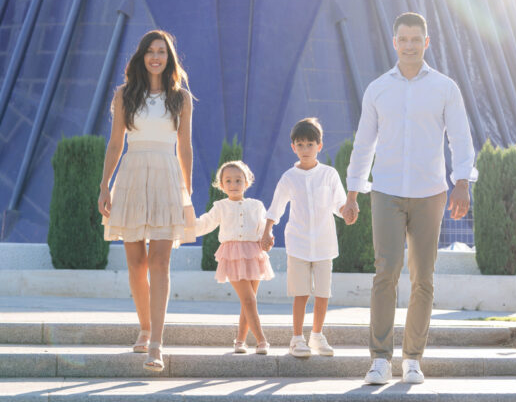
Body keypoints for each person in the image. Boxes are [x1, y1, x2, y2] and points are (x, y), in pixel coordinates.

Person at [343, 12, 477, 385]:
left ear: (426, 42)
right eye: (403, 39)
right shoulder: (377, 89)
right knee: (385, 272)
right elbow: (364, 143)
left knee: (423, 277)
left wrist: (462, 181)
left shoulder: (445, 87)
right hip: (385, 191)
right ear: (394, 42)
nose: (409, 45)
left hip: (429, 192)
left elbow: (460, 139)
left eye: (416, 39)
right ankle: (380, 359)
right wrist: (353, 192)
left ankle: (413, 358)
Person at [98, 30, 195, 373]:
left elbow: (185, 146)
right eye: (150, 51)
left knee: (160, 264)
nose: (156, 57)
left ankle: (157, 343)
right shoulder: (124, 95)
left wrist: (187, 191)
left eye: (162, 52)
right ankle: (145, 326)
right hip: (132, 175)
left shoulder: (181, 98)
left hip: (168, 176)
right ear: (141, 56)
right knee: (137, 263)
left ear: (169, 58)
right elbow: (115, 144)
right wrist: (104, 185)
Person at [261, 118, 347, 357]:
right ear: (293, 147)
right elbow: (277, 205)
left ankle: (317, 336)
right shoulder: (289, 177)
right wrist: (267, 230)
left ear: (320, 146)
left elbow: (338, 204)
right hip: (297, 242)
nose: (305, 149)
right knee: (301, 292)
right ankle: (297, 338)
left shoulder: (329, 175)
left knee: (322, 293)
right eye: (300, 144)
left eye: (310, 144)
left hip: (324, 243)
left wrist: (347, 211)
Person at [195, 161, 272, 354]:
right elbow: (205, 223)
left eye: (238, 180)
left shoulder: (256, 205)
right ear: (221, 185)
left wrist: (268, 237)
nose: (233, 184)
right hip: (232, 255)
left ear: (247, 182)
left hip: (254, 253)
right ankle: (262, 340)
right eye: (228, 181)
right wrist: (187, 224)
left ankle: (240, 341)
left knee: (249, 300)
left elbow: (264, 227)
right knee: (249, 300)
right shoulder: (220, 206)